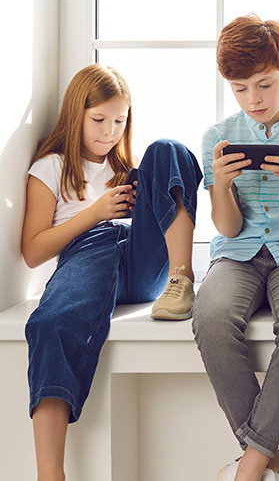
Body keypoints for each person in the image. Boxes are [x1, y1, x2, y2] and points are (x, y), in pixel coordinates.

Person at [22, 64, 202, 480]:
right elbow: (33, 251)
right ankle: (50, 472)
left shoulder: (133, 165)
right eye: (99, 120)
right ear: (75, 115)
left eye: (119, 122)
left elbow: (161, 207)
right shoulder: (51, 167)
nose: (109, 132)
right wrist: (93, 214)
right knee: (49, 323)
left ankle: (183, 277)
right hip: (86, 252)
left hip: (142, 260)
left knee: (168, 149)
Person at [192, 14, 279, 481]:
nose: (253, 98)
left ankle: (251, 465)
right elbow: (228, 229)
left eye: (264, 84)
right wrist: (222, 186)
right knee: (209, 317)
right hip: (236, 254)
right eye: (240, 88)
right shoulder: (217, 137)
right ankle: (271, 460)